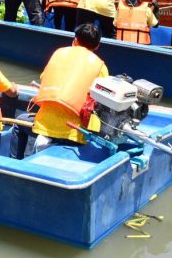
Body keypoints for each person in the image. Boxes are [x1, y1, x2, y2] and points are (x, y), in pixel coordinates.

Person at [11, 24, 109, 158]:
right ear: (97, 46)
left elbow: (44, 78)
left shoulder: (59, 53)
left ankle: (15, 163)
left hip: (44, 125)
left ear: (75, 40)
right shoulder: (100, 67)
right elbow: (102, 100)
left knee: (18, 123)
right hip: (75, 133)